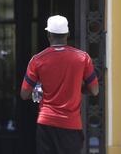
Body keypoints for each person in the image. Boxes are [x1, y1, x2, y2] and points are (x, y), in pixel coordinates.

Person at [20, 15, 99, 154]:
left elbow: (24, 94)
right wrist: (78, 88)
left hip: (46, 123)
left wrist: (40, 88)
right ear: (67, 34)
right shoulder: (82, 58)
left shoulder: (37, 60)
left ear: (48, 34)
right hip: (72, 125)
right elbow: (94, 90)